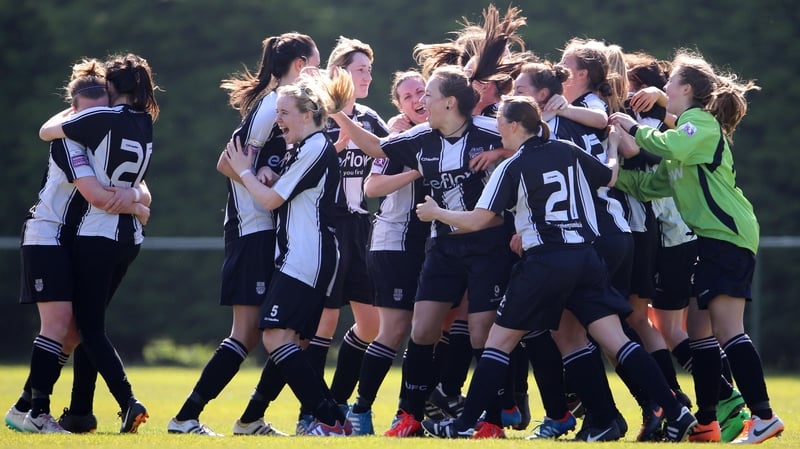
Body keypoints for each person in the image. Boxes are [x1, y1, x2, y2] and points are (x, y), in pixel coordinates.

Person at [416, 95, 696, 442]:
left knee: (498, 343)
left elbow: (478, 220)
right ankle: (676, 410)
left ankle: (463, 425)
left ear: (516, 125)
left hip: (545, 262)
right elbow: (609, 176)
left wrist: (437, 213)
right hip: (586, 258)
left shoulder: (512, 165)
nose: (497, 128)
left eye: (501, 121)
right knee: (616, 339)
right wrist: (610, 144)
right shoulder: (566, 149)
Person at [330, 63, 514, 439]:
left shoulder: (487, 132)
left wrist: (500, 154)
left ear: (448, 102)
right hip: (442, 245)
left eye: (427, 94)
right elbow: (375, 148)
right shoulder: (421, 136)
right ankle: (409, 416)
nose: (421, 102)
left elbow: (534, 142)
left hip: (488, 246)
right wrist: (337, 114)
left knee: (481, 332)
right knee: (423, 327)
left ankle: (492, 420)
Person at [609, 49, 784, 444]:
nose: (664, 89)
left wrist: (631, 129)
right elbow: (650, 186)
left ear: (686, 89)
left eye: (670, 84)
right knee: (699, 333)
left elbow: (669, 145)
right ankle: (707, 423)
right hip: (711, 240)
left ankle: (764, 417)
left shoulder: (698, 122)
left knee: (728, 331)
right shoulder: (686, 130)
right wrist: (605, 175)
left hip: (728, 235)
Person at [167, 32, 320, 436]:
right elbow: (226, 162)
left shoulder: (286, 106)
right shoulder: (275, 103)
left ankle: (249, 419)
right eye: (317, 64)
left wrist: (270, 171)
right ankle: (186, 418)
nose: (319, 73)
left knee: (284, 334)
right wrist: (256, 176)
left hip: (269, 230)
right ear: (302, 65)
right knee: (252, 333)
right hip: (253, 228)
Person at [5, 59, 150, 435]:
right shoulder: (71, 140)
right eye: (92, 111)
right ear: (76, 111)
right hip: (45, 236)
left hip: (66, 241)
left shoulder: (98, 134)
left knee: (70, 331)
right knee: (57, 325)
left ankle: (23, 407)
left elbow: (139, 184)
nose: (101, 117)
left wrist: (135, 193)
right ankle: (37, 412)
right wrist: (134, 202)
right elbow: (96, 195)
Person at [224, 67, 355, 437]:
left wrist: (245, 171)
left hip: (308, 258)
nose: (277, 119)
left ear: (308, 114)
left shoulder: (315, 147)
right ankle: (260, 420)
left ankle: (329, 420)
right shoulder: (304, 147)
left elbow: (270, 201)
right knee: (289, 341)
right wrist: (266, 171)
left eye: (284, 113)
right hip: (302, 257)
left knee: (274, 336)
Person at [303, 38, 389, 429]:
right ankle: (312, 414)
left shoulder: (371, 119)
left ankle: (335, 405)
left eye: (370, 69)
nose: (367, 75)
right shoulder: (316, 115)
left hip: (361, 228)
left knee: (372, 326)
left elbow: (389, 154)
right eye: (360, 68)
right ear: (338, 73)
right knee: (323, 323)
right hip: (327, 225)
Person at [344, 70, 430, 435]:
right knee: (393, 329)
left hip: (432, 247)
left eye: (422, 91)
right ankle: (359, 411)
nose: (417, 99)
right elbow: (372, 186)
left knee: (430, 330)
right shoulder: (398, 139)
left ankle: (411, 412)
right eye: (408, 96)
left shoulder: (444, 135)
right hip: (394, 244)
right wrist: (415, 172)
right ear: (399, 105)